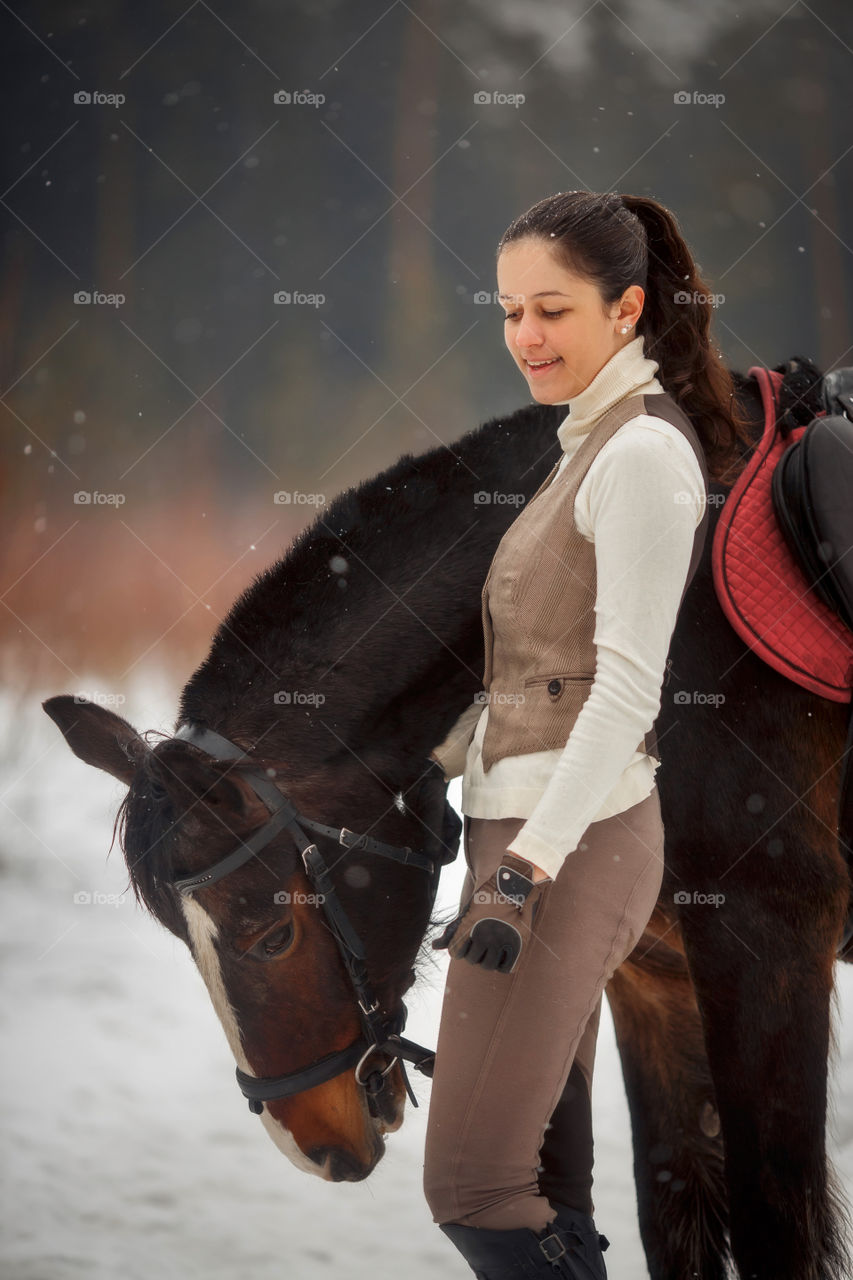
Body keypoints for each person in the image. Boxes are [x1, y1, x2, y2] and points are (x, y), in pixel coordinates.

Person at [421, 190, 752, 1280]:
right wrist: (433, 777)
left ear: (626, 310)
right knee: (539, 1184)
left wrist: (521, 872)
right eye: (510, 309)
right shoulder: (584, 448)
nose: (525, 335)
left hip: (568, 846)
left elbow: (624, 691)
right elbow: (528, 668)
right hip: (522, 837)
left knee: (471, 1180)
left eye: (552, 309)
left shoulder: (642, 456)